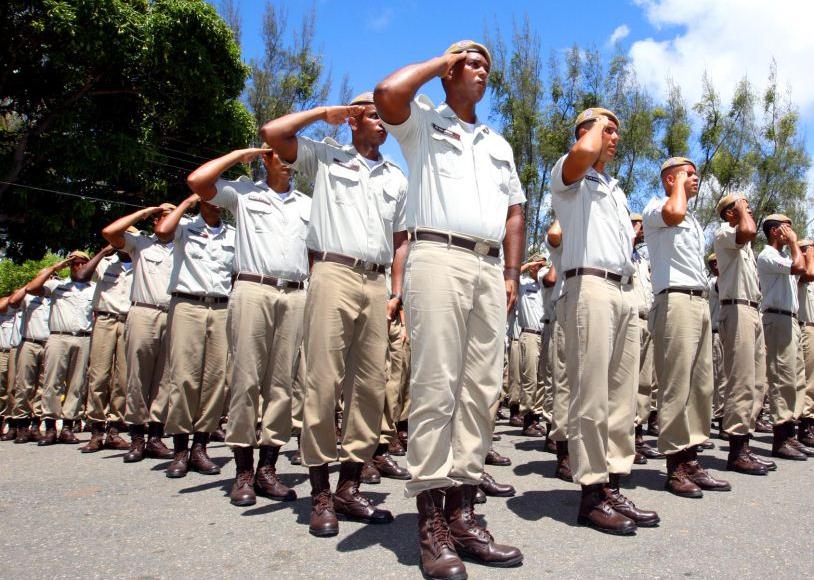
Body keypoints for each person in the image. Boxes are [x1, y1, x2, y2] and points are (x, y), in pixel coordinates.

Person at [376, 40, 525, 577]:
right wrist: (442, 60)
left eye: (487, 65)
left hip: (488, 268)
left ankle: (464, 513)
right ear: (448, 73)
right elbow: (387, 92)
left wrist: (510, 273)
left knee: (481, 391)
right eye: (471, 64)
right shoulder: (421, 124)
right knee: (437, 387)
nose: (481, 71)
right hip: (437, 255)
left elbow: (515, 211)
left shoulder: (498, 143)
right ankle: (430, 521)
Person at [261, 92, 407, 537]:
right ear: (352, 121)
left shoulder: (397, 177)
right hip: (331, 271)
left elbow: (401, 239)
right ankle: (319, 490)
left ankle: (349, 484)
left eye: (385, 117)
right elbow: (273, 134)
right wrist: (324, 114)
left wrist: (396, 292)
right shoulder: (326, 157)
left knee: (370, 385)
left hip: (377, 282)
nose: (383, 123)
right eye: (373, 115)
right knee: (321, 381)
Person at [549, 106, 657, 535]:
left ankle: (612, 483)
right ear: (586, 132)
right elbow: (585, 150)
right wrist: (593, 126)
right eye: (607, 130)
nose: (614, 138)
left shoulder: (613, 187)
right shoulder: (569, 172)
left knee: (620, 396)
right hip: (589, 284)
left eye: (615, 131)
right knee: (591, 395)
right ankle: (591, 493)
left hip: (622, 289)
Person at [187, 144, 310, 505]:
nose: (287, 163)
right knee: (245, 380)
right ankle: (242, 471)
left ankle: (267, 469)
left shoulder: (306, 204)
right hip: (252, 288)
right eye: (279, 155)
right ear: (265, 159)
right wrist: (240, 154)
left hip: (294, 293)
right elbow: (198, 181)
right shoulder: (242, 193)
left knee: (282, 384)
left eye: (291, 157)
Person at [643, 157, 731, 498]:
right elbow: (673, 212)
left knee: (701, 386)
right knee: (676, 385)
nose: (696, 179)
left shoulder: (692, 219)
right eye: (688, 175)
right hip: (675, 300)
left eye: (695, 175)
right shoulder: (657, 208)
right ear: (669, 180)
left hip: (698, 302)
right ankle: (675, 465)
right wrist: (677, 186)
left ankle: (692, 456)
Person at [156, 194, 235, 478]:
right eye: (209, 195)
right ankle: (179, 449)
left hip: (222, 307)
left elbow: (237, 273)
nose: (216, 200)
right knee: (184, 378)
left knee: (215, 380)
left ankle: (200, 447)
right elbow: (162, 231)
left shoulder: (234, 235)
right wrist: (185, 203)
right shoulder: (184, 227)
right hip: (187, 304)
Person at [102, 204, 177, 463]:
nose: (169, 219)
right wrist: (144, 212)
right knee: (137, 376)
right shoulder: (141, 243)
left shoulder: (185, 244)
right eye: (164, 215)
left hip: (174, 312)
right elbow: (110, 232)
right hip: (144, 312)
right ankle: (136, 438)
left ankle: (155, 437)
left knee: (165, 378)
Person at [712, 193, 779, 473]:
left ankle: (745, 444)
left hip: (752, 310)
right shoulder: (726, 232)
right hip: (736, 309)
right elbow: (749, 229)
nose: (748, 209)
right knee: (740, 381)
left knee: (756, 381)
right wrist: (740, 209)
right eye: (743, 206)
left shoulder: (745, 245)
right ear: (730, 213)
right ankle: (737, 450)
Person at [22, 251, 95, 445]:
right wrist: (55, 268)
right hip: (58, 336)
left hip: (83, 338)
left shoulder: (94, 288)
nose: (78, 267)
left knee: (77, 383)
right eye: (74, 264)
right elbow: (32, 288)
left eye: (82, 263)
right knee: (52, 382)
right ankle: (51, 427)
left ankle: (69, 427)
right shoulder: (57, 285)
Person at [757, 214, 814, 460]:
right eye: (786, 228)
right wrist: (794, 244)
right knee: (781, 376)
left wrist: (793, 248)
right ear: (774, 232)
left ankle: (790, 432)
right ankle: (780, 437)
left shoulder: (782, 256)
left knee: (796, 377)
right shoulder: (767, 255)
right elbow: (801, 268)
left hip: (790, 317)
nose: (791, 232)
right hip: (776, 317)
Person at [77, 242, 134, 452]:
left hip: (129, 320)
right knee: (99, 375)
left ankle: (114, 431)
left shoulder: (141, 262)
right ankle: (96, 431)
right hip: (105, 319)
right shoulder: (106, 263)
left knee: (122, 379)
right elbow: (82, 276)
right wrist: (102, 252)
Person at [630, 214, 663, 464]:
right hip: (629, 319)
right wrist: (632, 232)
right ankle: (627, 435)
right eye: (634, 224)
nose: (639, 230)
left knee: (644, 383)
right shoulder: (621, 248)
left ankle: (638, 434)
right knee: (628, 383)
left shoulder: (642, 258)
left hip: (646, 318)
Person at [8, 270, 54, 443]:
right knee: (24, 385)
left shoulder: (54, 296)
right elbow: (12, 302)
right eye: (45, 277)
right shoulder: (27, 296)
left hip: (48, 343)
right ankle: (22, 426)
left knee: (43, 386)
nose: (48, 279)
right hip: (29, 342)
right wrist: (29, 286)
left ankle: (35, 425)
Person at [543, 220, 573, 479]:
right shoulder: (567, 224)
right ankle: (564, 452)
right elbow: (553, 233)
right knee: (565, 382)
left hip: (597, 299)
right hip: (568, 301)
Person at [517, 254, 547, 437]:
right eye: (538, 264)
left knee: (542, 381)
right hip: (529, 334)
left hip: (544, 336)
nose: (540, 267)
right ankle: (527, 420)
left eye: (543, 264)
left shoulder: (545, 285)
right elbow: (510, 274)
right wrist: (528, 263)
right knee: (530, 380)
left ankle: (536, 418)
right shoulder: (523, 284)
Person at [796, 239, 814, 447]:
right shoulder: (803, 273)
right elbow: (808, 272)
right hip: (805, 326)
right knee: (807, 380)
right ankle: (805, 425)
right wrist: (807, 253)